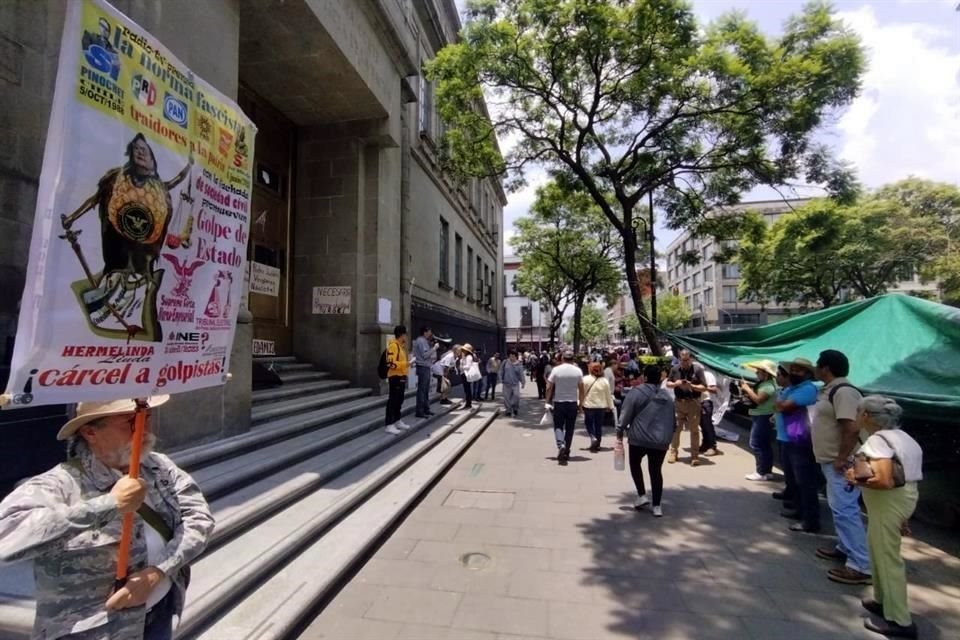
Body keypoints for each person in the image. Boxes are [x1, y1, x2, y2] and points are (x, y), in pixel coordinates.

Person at [0, 395, 214, 640]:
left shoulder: (159, 467)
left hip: (158, 614)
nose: (143, 429)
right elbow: (6, 537)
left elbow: (200, 520)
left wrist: (158, 572)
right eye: (129, 422)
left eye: (147, 418)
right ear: (90, 432)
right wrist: (108, 504)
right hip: (94, 630)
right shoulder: (60, 484)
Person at [846, 396, 923, 639]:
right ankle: (882, 601)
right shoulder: (903, 437)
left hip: (887, 503)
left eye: (859, 412)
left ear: (867, 416)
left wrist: (853, 479)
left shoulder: (878, 440)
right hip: (902, 500)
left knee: (888, 559)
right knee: (879, 551)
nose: (857, 416)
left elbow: (884, 480)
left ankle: (901, 621)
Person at [813, 349, 871, 585]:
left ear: (826, 368)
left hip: (842, 463)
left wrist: (841, 458)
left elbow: (851, 428)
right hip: (831, 460)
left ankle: (861, 565)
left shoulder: (844, 392)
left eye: (818, 365)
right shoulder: (830, 390)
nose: (816, 369)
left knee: (845, 510)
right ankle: (845, 548)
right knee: (840, 508)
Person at [617, 365, 676, 517]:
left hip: (639, 438)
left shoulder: (637, 393)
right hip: (660, 440)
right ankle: (657, 506)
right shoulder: (667, 396)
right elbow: (672, 420)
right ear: (660, 379)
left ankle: (642, 495)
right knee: (656, 471)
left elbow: (625, 413)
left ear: (645, 376)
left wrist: (620, 431)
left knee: (635, 464)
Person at [775, 358, 821, 533]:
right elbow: (779, 406)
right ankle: (800, 510)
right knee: (796, 480)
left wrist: (781, 405)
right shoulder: (793, 388)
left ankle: (810, 520)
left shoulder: (808, 389)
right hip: (789, 438)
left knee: (805, 482)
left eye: (799, 370)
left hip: (800, 441)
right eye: (792, 369)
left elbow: (783, 406)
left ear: (808, 374)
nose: (793, 373)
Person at [665, 350, 708, 466]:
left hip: (693, 402)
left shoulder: (697, 370)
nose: (684, 362)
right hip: (679, 403)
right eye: (682, 359)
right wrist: (676, 384)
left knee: (694, 430)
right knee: (676, 429)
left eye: (687, 359)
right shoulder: (675, 369)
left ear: (690, 359)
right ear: (679, 358)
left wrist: (691, 386)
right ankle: (673, 453)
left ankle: (694, 456)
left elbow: (704, 387)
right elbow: (667, 383)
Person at [740, 360, 779, 481]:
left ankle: (761, 471)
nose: (757, 373)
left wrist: (747, 388)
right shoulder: (765, 384)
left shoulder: (767, 386)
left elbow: (758, 400)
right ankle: (766, 471)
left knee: (756, 443)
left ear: (766, 373)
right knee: (764, 444)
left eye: (759, 371)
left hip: (763, 416)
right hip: (762, 415)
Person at [545, 351, 585, 465]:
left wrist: (547, 401)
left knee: (558, 426)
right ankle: (566, 450)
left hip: (559, 402)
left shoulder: (556, 370)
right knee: (570, 427)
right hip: (572, 403)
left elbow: (549, 387)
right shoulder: (578, 371)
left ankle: (560, 444)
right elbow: (581, 389)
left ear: (562, 358)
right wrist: (581, 405)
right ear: (573, 359)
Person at [582, 362, 615, 452]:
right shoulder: (604, 381)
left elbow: (580, 393)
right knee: (598, 425)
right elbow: (608, 395)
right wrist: (610, 406)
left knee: (589, 423)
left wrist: (578, 403)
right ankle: (597, 444)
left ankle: (593, 437)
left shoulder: (585, 379)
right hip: (601, 406)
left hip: (588, 405)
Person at [384, 325, 412, 435]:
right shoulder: (393, 346)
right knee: (393, 400)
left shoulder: (400, 347)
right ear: (402, 335)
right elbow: (390, 363)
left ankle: (397, 420)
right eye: (405, 334)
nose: (406, 337)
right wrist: (406, 364)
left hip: (401, 377)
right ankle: (389, 424)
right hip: (395, 377)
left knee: (399, 400)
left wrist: (407, 365)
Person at [413, 326, 437, 419]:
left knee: (426, 390)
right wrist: (434, 348)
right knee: (422, 390)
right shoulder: (421, 341)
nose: (430, 334)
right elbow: (425, 355)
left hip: (425, 367)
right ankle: (420, 411)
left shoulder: (424, 341)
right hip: (423, 367)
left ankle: (426, 409)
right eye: (429, 332)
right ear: (425, 332)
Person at [698, 368, 723, 457]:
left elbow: (714, 389)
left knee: (707, 424)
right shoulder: (693, 373)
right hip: (696, 402)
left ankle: (712, 446)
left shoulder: (708, 375)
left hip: (706, 401)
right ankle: (705, 443)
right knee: (701, 424)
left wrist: (700, 388)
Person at [500, 350, 525, 417]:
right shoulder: (505, 362)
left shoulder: (519, 364)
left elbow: (521, 374)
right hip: (506, 384)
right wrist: (500, 379)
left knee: (516, 397)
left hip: (515, 384)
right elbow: (501, 371)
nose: (512, 358)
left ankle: (515, 408)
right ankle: (508, 410)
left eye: (513, 356)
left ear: (516, 357)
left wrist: (523, 382)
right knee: (507, 398)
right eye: (510, 356)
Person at [459, 343, 478, 409]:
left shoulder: (469, 357)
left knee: (468, 389)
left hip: (466, 374)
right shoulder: (464, 357)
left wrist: (461, 367)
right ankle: (468, 403)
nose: (462, 351)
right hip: (463, 374)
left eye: (464, 350)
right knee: (466, 389)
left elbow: (468, 366)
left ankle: (468, 403)